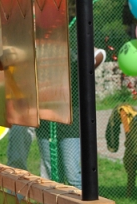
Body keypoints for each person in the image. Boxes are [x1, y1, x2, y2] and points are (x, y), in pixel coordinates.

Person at [7, 47, 106, 189]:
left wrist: (86, 52)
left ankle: (80, 202)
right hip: (46, 125)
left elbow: (100, 54)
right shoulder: (39, 74)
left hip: (69, 127)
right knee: (51, 172)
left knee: (72, 173)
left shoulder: (74, 69)